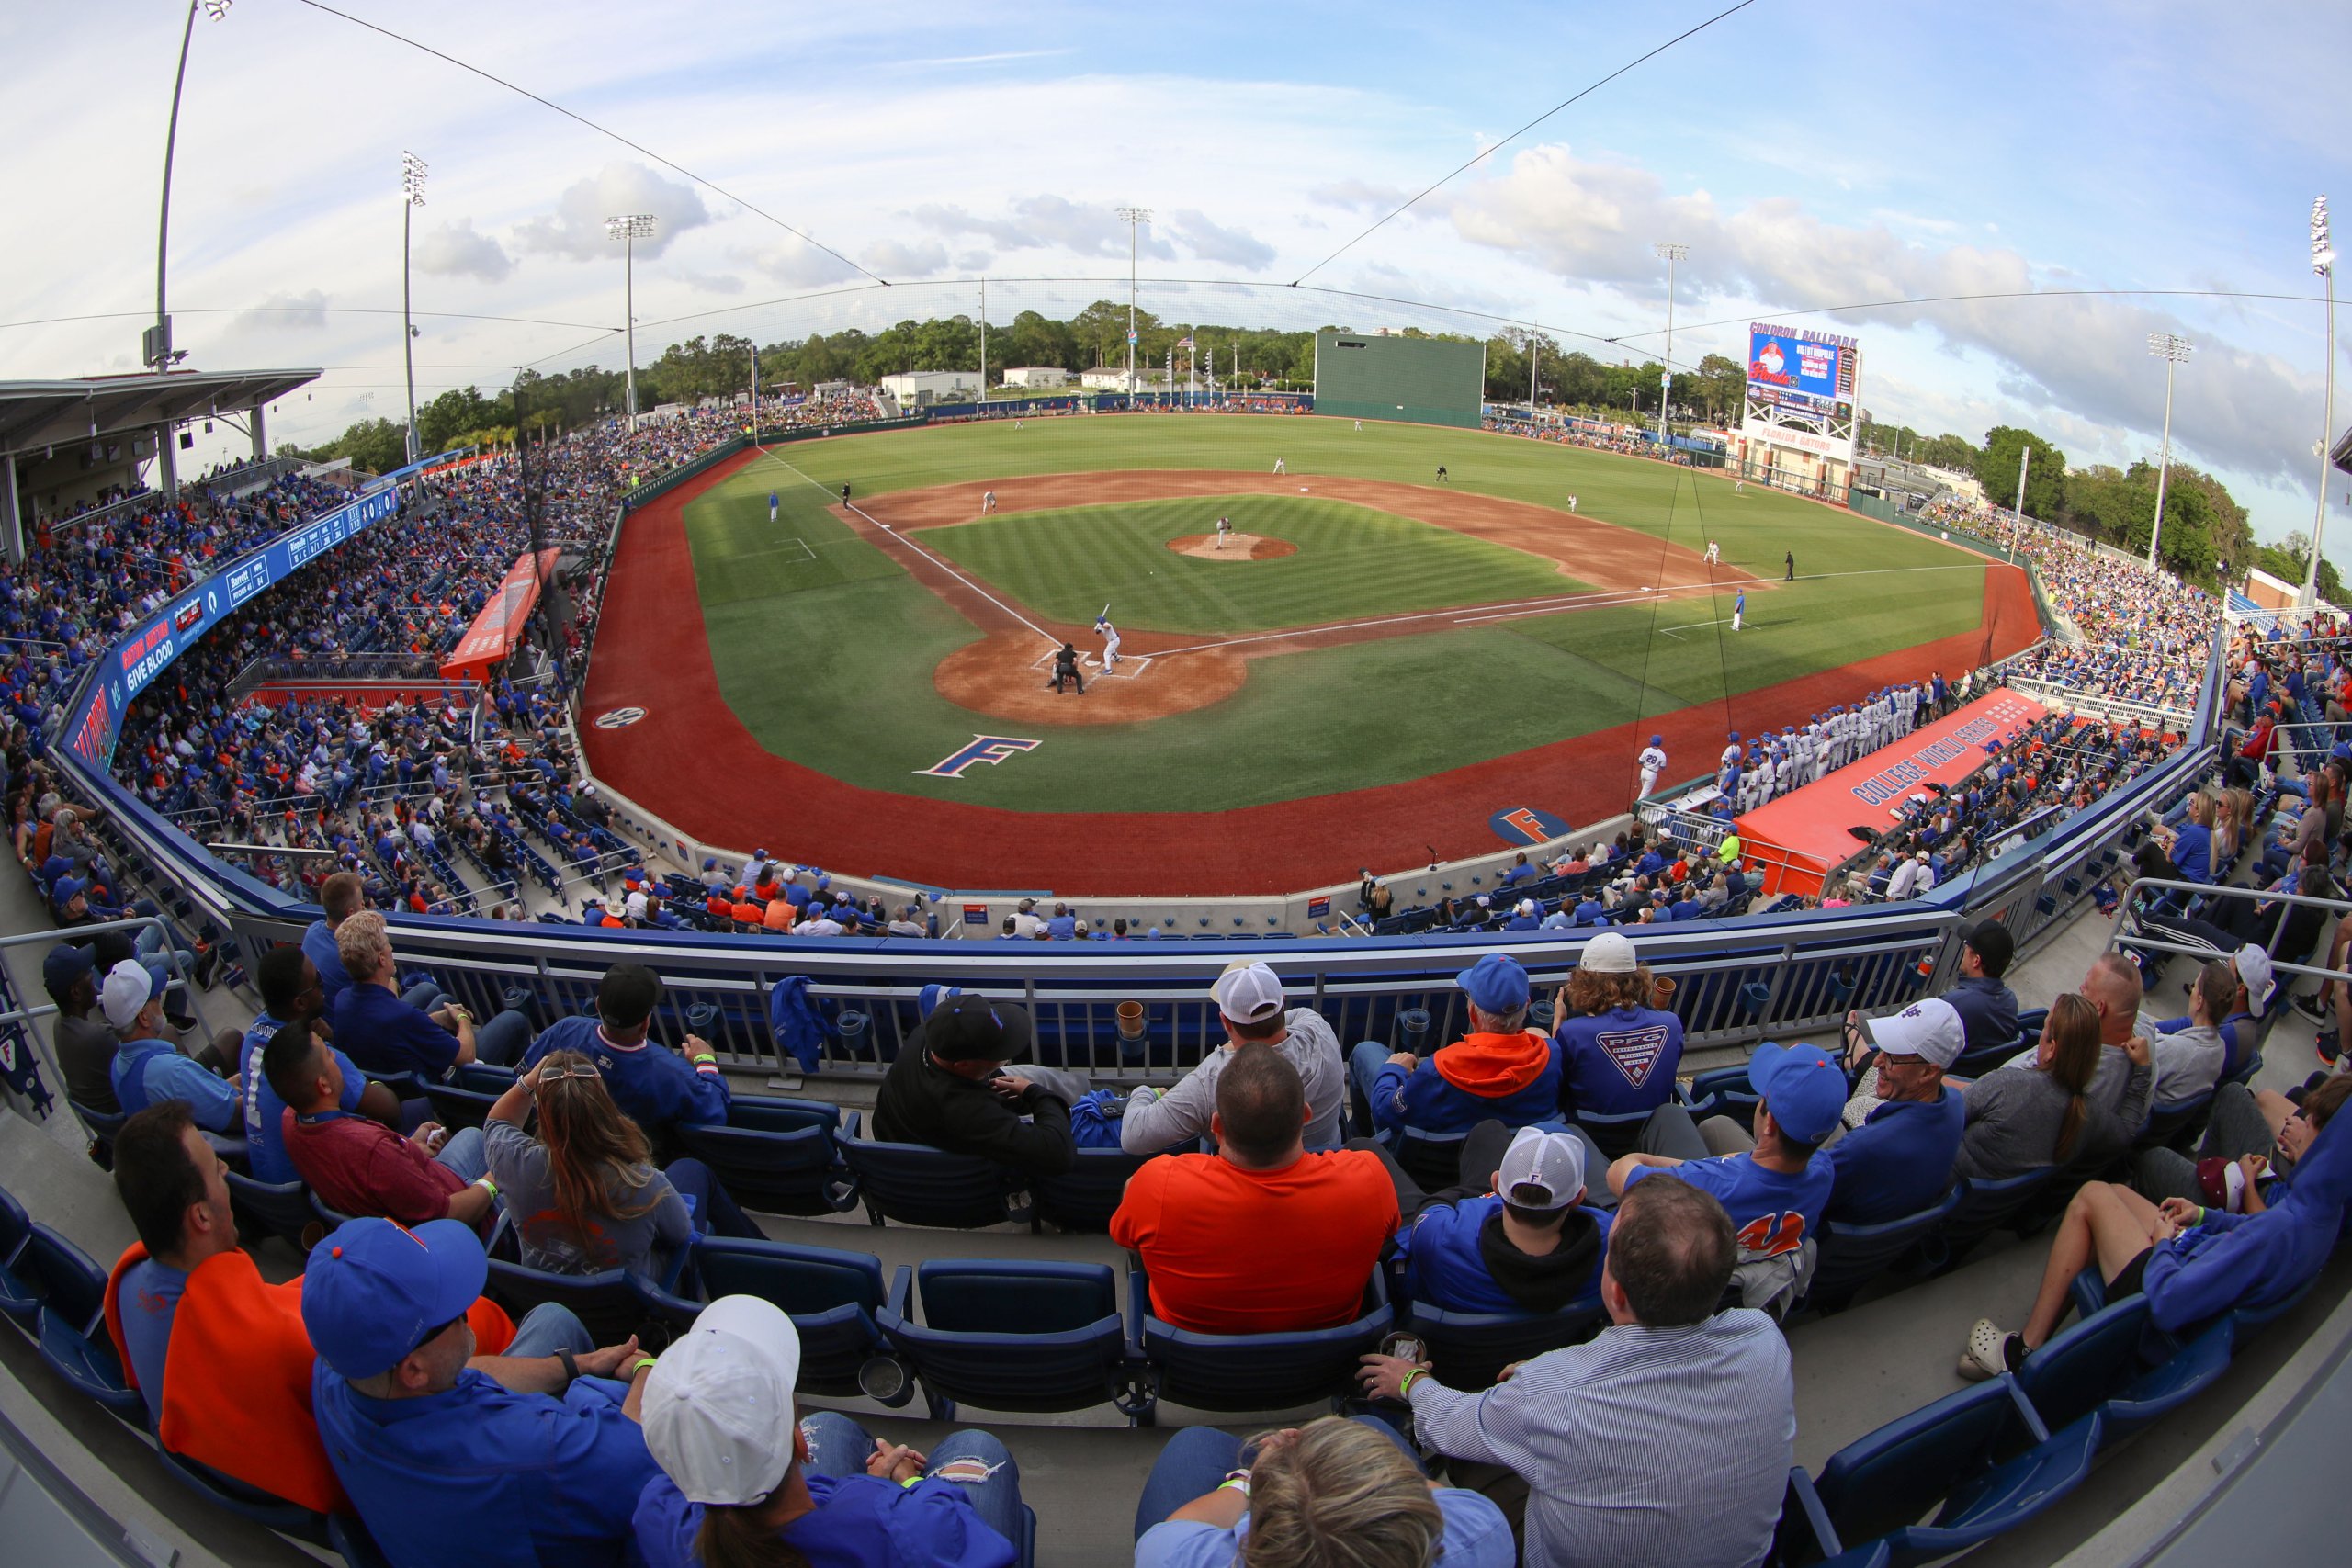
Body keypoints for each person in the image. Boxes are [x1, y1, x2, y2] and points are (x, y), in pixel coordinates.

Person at [1357, 1174, 1792, 1568]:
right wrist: (1547, 1382)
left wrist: (1412, 1381)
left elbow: (1451, 1425)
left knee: (1396, 1437)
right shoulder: (1763, 1338)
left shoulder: (1556, 1393)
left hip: (1552, 1552)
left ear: (1616, 1294)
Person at [304, 1216, 662, 1568]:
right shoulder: (534, 1449)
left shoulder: (333, 1370)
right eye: (454, 1313)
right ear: (414, 1370)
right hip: (530, 1485)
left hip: (450, 1515)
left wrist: (577, 1365)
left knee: (555, 1321)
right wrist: (647, 1371)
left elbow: (464, 1372)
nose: (467, 1312)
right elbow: (645, 1454)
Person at [1961, 1095, 2352, 1379]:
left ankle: (2021, 1353)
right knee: (2119, 1194)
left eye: (2313, 1123)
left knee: (2092, 1197)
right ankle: (2044, 1341)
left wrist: (2164, 1241)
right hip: (2193, 1264)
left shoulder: (2280, 1228)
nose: (2300, 1122)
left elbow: (2169, 1302)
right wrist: (2202, 1214)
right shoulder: (2322, 1214)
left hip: (2162, 1307)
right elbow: (2248, 1231)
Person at [637, 1294, 1023, 1568]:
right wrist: (905, 1487)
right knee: (977, 1446)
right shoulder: (902, 1528)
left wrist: (869, 1488)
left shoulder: (656, 1516)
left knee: (831, 1425)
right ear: (799, 1442)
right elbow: (976, 1546)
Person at [1112, 1047, 1397, 1334]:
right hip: (1325, 1367)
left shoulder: (1158, 1186)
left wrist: (1136, 1188)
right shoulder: (1369, 1179)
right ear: (1305, 1116)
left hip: (1194, 1368)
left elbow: (1126, 1238)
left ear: (1216, 1125)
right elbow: (1390, 1232)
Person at [1605, 1043, 1843, 1312]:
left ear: (1770, 1123)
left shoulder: (1708, 1184)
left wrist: (1642, 1159)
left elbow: (1617, 1175)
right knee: (1677, 1116)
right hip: (1740, 1275)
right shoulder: (1824, 1172)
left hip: (1679, 1281)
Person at [484, 1052, 757, 1278]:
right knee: (690, 1170)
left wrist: (530, 1080)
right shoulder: (643, 1182)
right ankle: (759, 1258)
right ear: (603, 1106)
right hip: (634, 1307)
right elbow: (680, 1234)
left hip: (550, 1295)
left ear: (540, 1111)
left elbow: (497, 1122)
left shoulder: (512, 1160)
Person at [1132, 1416, 1512, 1568]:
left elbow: (1173, 1530)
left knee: (1195, 1441)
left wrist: (1249, 1480)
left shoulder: (1177, 1559)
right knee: (1368, 1420)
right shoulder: (1480, 1531)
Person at [267, 1021, 499, 1230]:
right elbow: (452, 1214)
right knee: (512, 1159)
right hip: (466, 1224)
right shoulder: (373, 1152)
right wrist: (495, 1176)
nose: (335, 1057)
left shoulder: (290, 1121)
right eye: (328, 1053)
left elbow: (375, 1172)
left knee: (471, 1135)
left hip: (411, 1191)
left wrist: (408, 1148)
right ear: (324, 1085)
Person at [1121, 962, 1347, 1155]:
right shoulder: (1317, 1026)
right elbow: (1290, 1017)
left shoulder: (1210, 1079)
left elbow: (1133, 1136)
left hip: (1249, 1186)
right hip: (1326, 1159)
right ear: (1283, 1001)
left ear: (1225, 1022)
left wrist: (1146, 1091)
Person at [1387, 1123, 1612, 1316]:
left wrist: (1478, 1196)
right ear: (1578, 1198)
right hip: (1555, 1341)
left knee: (1364, 1148)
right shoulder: (1611, 1241)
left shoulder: (1444, 1239)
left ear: (1496, 1184)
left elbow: (1430, 1209)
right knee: (1489, 1129)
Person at [1351, 954, 1562, 1140]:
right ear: (1526, 1006)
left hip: (1432, 1172)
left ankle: (1359, 1141)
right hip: (1511, 1162)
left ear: (1472, 1014)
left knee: (1365, 1051)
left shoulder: (1441, 1067)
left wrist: (1393, 1070)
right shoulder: (1550, 1056)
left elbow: (1385, 1112)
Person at [242, 946, 401, 1185]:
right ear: (300, 1003)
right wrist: (371, 1082)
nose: (323, 985)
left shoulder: (253, 1036)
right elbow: (390, 1109)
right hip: (310, 1193)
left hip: (269, 1184)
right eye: (318, 981)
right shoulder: (317, 1059)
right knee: (416, 1108)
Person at [1956, 993, 2152, 1183]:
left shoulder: (2005, 1084)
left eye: (2044, 1030)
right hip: (1991, 1209)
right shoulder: (2088, 1115)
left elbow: (1945, 1118)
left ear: (2052, 1049)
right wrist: (2143, 1069)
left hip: (1943, 1183)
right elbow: (2125, 1133)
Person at [871, 993, 1075, 1176]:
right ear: (964, 1064)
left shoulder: (925, 1036)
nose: (1007, 1056)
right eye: (1001, 1054)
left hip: (906, 1129)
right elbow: (1058, 1154)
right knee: (1067, 1113)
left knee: (1035, 1074)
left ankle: (1085, 1094)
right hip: (937, 1167)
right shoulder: (968, 1111)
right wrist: (1035, 1093)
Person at [520, 964, 730, 1138]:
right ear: (646, 1022)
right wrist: (705, 1061)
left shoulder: (565, 1029)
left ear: (598, 1005)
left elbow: (524, 1077)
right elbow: (714, 1112)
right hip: (634, 1158)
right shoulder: (670, 1072)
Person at [1826, 998, 1968, 1224]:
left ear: (1928, 1073)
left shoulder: (1862, 1148)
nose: (1878, 1061)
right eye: (1881, 1050)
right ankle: (1858, 1058)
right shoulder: (1955, 1103)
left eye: (1892, 1057)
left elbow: (1793, 1195)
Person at [332, 911, 528, 1075]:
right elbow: (466, 1056)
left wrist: (437, 1019)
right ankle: (515, 1095)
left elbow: (403, 1029)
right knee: (515, 1021)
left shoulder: (342, 1001)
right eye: (387, 943)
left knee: (444, 1000)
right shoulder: (402, 1017)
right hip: (444, 1088)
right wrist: (462, 1020)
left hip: (392, 1073)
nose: (391, 947)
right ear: (382, 959)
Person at [1552, 931, 1684, 1154]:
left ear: (1585, 981)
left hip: (1591, 1145)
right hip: (1654, 1142)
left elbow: (1558, 1083)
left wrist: (1558, 1023)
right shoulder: (1671, 1024)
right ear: (1638, 978)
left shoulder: (1572, 1032)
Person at [104, 960, 239, 1134]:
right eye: (156, 998)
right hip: (213, 1148)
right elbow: (234, 1116)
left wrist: (220, 1086)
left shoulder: (117, 1064)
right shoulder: (171, 1071)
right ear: (143, 1017)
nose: (160, 1001)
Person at [45, 942, 122, 1114]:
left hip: (109, 1125)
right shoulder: (98, 1035)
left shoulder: (59, 1025)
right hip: (134, 1122)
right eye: (88, 972)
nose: (93, 976)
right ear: (76, 992)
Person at [2147, 960, 2233, 1109]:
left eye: (2194, 987)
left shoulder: (2176, 1049)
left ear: (2199, 1001)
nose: (2191, 991)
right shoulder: (2220, 1048)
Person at [1939, 919, 2021, 1052]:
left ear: (1976, 960)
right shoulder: (2010, 1000)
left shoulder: (1952, 1004)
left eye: (1967, 946)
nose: (1964, 950)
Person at [1635, 735, 1667, 800]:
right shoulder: (1662, 754)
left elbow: (1639, 762)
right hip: (1652, 774)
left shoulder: (1646, 750)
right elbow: (1663, 767)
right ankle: (1637, 808)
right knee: (1644, 793)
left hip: (1643, 772)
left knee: (1645, 791)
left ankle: (1646, 804)